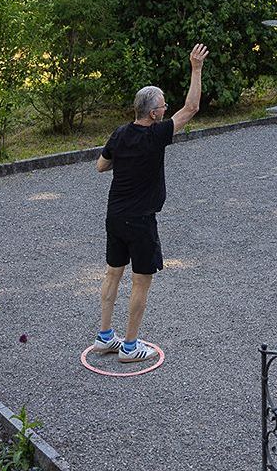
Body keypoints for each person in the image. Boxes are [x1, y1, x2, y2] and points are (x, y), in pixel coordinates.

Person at [94, 43, 208, 362]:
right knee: (140, 282)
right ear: (155, 113)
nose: (166, 108)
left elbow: (101, 166)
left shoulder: (119, 134)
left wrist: (125, 160)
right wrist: (196, 69)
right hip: (141, 221)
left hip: (114, 216)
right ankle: (129, 347)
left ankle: (105, 337)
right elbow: (192, 107)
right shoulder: (157, 134)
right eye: (163, 105)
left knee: (112, 274)